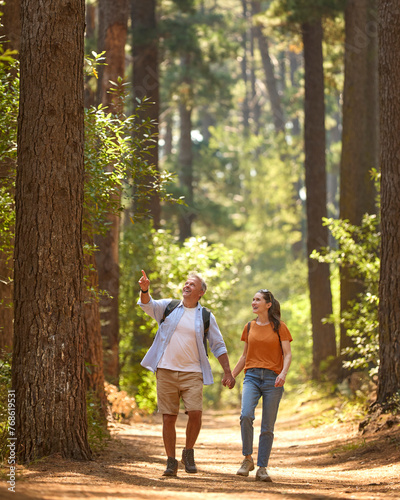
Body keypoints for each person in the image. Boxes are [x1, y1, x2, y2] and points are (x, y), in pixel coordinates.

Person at [138, 269, 235, 477]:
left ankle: (188, 452)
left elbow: (218, 345)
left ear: (201, 292)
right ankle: (171, 461)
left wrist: (228, 371)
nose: (187, 286)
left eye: (192, 284)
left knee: (195, 413)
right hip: (166, 370)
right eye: (186, 283)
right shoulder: (169, 307)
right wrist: (144, 290)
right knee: (168, 418)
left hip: (193, 372)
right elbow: (148, 305)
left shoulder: (205, 315)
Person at [232, 289, 292, 482]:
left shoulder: (279, 327)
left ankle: (262, 468)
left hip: (273, 379)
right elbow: (244, 356)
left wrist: (283, 373)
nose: (253, 302)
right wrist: (231, 375)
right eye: (253, 299)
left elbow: (288, 354)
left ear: (268, 305)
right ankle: (247, 458)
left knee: (267, 426)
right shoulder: (249, 327)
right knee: (246, 415)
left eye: (258, 300)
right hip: (251, 376)